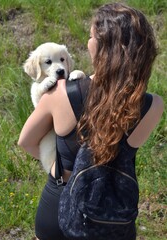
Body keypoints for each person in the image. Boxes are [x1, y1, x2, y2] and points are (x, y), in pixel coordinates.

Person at [18, 2, 164, 240]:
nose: (87, 42)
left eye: (90, 36)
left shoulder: (62, 93)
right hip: (113, 216)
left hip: (59, 209)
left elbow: (26, 141)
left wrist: (59, 165)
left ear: (102, 46)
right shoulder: (152, 105)